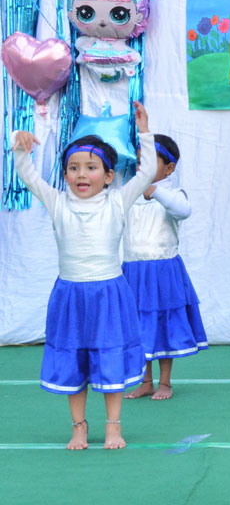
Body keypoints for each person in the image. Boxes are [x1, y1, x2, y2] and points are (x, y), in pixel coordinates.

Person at [10, 102, 155, 449]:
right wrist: (20, 144)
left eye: (91, 167)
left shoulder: (117, 202)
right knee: (73, 360)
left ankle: (113, 426)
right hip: (70, 297)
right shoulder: (58, 202)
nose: (81, 174)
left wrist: (145, 132)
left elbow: (147, 172)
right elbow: (28, 176)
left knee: (110, 358)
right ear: (65, 175)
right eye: (73, 168)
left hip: (109, 295)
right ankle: (79, 427)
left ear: (108, 175)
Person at [121, 134, 207, 401]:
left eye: (149, 161)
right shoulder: (129, 193)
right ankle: (146, 381)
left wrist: (156, 192)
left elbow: (184, 211)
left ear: (169, 168)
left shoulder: (172, 194)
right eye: (139, 161)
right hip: (133, 271)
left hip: (162, 272)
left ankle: (165, 382)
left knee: (164, 325)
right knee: (139, 326)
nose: (142, 167)